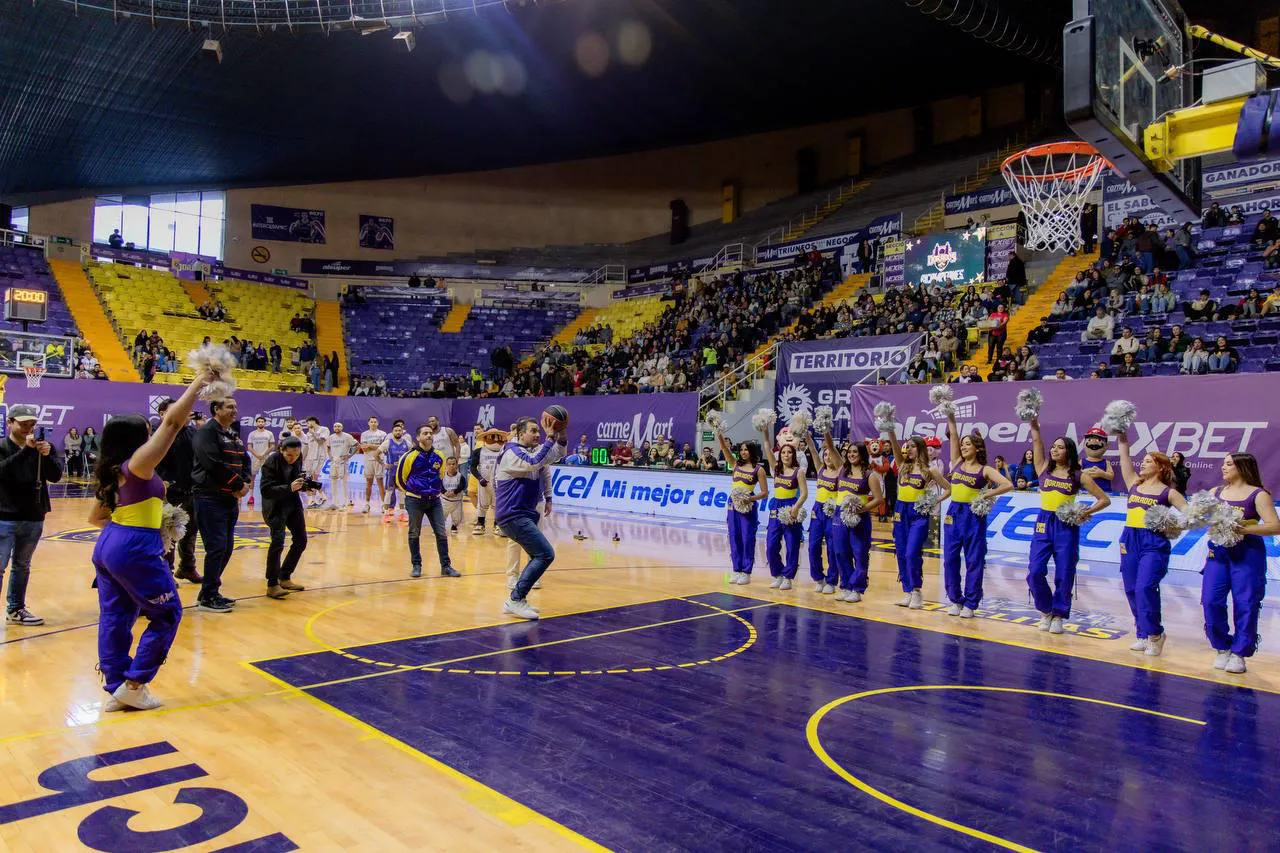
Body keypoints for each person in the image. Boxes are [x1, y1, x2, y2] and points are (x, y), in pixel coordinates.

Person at [87, 373, 205, 710]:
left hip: (110, 543)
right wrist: (198, 384)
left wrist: (152, 521)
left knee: (116, 616)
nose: (153, 435)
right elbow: (172, 424)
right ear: (136, 439)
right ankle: (136, 684)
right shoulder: (138, 464)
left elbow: (95, 519)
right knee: (168, 613)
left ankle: (116, 686)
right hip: (134, 547)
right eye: (147, 433)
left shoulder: (112, 470)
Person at [1027, 417, 1112, 634]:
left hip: (1066, 526)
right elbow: (1037, 441)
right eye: (1053, 447)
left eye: (1060, 447)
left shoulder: (1078, 475)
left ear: (1069, 451)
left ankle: (1059, 615)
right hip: (1043, 523)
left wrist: (1084, 512)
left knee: (1064, 573)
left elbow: (1104, 500)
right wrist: (1034, 424)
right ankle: (1046, 609)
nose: (1055, 450)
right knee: (1035, 571)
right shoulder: (1043, 469)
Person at [1200, 453, 1280, 674]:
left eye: (1228, 464)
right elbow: (1201, 517)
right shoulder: (1214, 493)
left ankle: (1239, 653)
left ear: (1242, 467)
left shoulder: (1258, 494)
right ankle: (1221, 646)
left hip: (1248, 553)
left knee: (1246, 603)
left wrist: (1242, 529)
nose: (1223, 467)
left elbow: (1275, 526)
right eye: (1223, 464)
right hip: (1218, 552)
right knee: (1210, 601)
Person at [1114, 430, 1187, 658]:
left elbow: (1192, 516)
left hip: (1153, 542)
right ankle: (1143, 633)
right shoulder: (1133, 484)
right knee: (1131, 588)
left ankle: (1156, 634)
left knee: (1145, 586)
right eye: (1143, 460)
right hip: (1129, 538)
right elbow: (1124, 456)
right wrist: (1122, 435)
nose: (1143, 464)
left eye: (1148, 461)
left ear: (1161, 467)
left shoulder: (1169, 492)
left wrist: (1171, 526)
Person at [496, 413, 568, 618]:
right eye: (533, 431)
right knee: (545, 554)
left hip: (523, 514)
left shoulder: (531, 450)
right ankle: (515, 599)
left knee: (537, 555)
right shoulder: (511, 451)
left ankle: (516, 599)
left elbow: (556, 455)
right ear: (520, 434)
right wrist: (549, 437)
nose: (537, 434)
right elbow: (534, 462)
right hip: (512, 514)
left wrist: (561, 435)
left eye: (539, 431)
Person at [942, 410, 1013, 617]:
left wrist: (987, 494)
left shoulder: (986, 469)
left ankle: (971, 603)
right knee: (950, 559)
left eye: (967, 444)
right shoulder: (956, 462)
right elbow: (953, 434)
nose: (963, 447)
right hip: (954, 512)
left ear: (977, 448)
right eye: (962, 444)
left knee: (974, 560)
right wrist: (950, 415)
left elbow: (1007, 484)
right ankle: (955, 599)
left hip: (973, 516)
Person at [0, 405, 62, 626]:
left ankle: (16, 608)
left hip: (34, 516)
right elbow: (4, 472)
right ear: (10, 422)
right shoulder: (2, 446)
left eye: (32, 424)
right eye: (23, 423)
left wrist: (45, 456)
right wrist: (26, 451)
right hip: (4, 516)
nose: (28, 428)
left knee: (22, 565)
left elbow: (55, 476)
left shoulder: (44, 448)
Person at [879, 428, 950, 609]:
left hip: (918, 514)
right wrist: (890, 432)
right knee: (901, 552)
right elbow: (895, 447)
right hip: (900, 511)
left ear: (920, 449)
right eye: (907, 446)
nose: (907, 449)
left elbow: (949, 489)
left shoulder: (930, 470)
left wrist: (933, 501)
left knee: (912, 552)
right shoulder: (903, 466)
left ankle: (917, 591)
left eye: (912, 447)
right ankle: (908, 591)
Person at [191, 397, 249, 613]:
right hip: (209, 497)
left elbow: (244, 460)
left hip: (229, 499)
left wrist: (246, 481)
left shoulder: (231, 433)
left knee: (226, 547)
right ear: (216, 409)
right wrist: (237, 483)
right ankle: (208, 596)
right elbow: (211, 463)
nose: (235, 410)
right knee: (216, 547)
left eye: (235, 406)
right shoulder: (206, 432)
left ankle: (210, 591)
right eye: (230, 407)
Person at [394, 424, 460, 579]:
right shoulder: (409, 456)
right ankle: (416, 565)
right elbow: (399, 479)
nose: (429, 435)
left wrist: (434, 490)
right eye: (425, 433)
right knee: (414, 532)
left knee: (441, 533)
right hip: (415, 501)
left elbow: (441, 475)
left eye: (430, 433)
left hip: (434, 501)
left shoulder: (439, 455)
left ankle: (446, 566)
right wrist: (412, 492)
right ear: (418, 437)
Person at [824, 430, 883, 602]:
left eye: (855, 452)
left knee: (859, 553)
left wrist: (859, 510)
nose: (851, 455)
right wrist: (827, 429)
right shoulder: (842, 469)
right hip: (839, 515)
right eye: (849, 452)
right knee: (841, 552)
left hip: (860, 518)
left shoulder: (869, 475)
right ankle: (846, 585)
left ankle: (857, 588)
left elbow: (879, 499)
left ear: (862, 454)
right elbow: (830, 447)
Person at [154, 399, 200, 585]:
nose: (183, 413)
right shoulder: (158, 432)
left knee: (191, 530)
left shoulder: (192, 432)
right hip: (168, 491)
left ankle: (187, 568)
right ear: (162, 414)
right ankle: (167, 572)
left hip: (191, 489)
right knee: (169, 533)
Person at [259, 436, 310, 599]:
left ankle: (285, 576)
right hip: (275, 505)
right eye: (289, 455)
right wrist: (289, 487)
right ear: (281, 450)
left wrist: (305, 486)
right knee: (277, 542)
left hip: (292, 503)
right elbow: (266, 490)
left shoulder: (298, 456)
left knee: (301, 539)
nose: (293, 458)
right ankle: (272, 584)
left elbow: (296, 479)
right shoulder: (271, 461)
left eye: (296, 455)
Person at [758, 421, 807, 590]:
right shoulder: (775, 469)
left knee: (792, 544)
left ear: (793, 455)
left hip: (790, 507)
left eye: (789, 453)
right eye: (783, 452)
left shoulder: (798, 472)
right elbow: (766, 447)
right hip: (775, 507)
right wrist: (765, 431)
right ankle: (777, 574)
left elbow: (804, 493)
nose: (786, 455)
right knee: (771, 544)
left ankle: (788, 576)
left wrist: (795, 508)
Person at [802, 430, 840, 594]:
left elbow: (831, 448)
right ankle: (818, 578)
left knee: (832, 548)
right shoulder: (819, 470)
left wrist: (826, 432)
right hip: (817, 511)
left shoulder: (841, 472)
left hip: (833, 511)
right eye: (824, 454)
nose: (827, 457)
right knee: (813, 546)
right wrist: (808, 437)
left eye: (830, 454)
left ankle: (831, 581)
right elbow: (811, 448)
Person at [504, 465, 551, 593]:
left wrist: (549, 498)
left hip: (537, 501)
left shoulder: (542, 453)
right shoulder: (513, 451)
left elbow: (547, 476)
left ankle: (532, 576)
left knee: (536, 540)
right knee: (514, 540)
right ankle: (512, 576)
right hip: (516, 501)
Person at [470, 428, 506, 535]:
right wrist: (479, 478)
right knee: (482, 503)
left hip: (499, 483)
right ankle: (480, 523)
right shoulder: (479, 451)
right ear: (485, 438)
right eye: (492, 436)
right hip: (484, 482)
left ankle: (497, 524)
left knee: (498, 503)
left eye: (497, 437)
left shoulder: (505, 451)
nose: (495, 439)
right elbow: (472, 467)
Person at [379, 421, 413, 523]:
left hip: (403, 473)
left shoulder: (407, 443)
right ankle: (386, 513)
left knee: (402, 493)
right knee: (389, 493)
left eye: (399, 430)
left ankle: (402, 513)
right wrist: (383, 464)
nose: (398, 432)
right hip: (391, 472)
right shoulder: (388, 442)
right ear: (392, 432)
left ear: (402, 432)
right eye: (396, 430)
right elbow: (376, 454)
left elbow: (413, 455)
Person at [357, 417, 387, 513]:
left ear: (377, 423)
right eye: (371, 422)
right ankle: (367, 504)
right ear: (368, 423)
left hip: (379, 460)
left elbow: (384, 447)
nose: (373, 423)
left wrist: (370, 445)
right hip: (368, 460)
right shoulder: (364, 434)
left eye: (375, 422)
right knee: (368, 483)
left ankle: (383, 504)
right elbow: (364, 448)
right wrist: (376, 447)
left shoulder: (383, 434)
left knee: (380, 483)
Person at [326, 422, 357, 510]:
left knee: (344, 482)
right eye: (335, 426)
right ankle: (335, 501)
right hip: (334, 462)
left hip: (343, 462)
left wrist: (349, 455)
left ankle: (346, 501)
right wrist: (330, 456)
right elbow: (328, 447)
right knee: (333, 481)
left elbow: (356, 445)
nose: (337, 427)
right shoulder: (331, 437)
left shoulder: (347, 436)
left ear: (342, 427)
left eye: (338, 426)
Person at [246, 416, 275, 508]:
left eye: (262, 421)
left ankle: (266, 496)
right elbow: (249, 447)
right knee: (252, 478)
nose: (260, 423)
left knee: (266, 477)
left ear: (265, 423)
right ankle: (251, 497)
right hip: (255, 459)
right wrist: (257, 455)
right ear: (256, 423)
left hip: (266, 458)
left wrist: (264, 454)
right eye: (259, 421)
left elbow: (272, 446)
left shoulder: (269, 433)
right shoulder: (252, 434)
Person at [301, 417, 329, 509]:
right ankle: (321, 496)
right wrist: (303, 458)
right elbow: (307, 446)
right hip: (310, 457)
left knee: (314, 477)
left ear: (313, 421)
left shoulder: (324, 429)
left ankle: (314, 498)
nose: (307, 424)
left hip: (320, 456)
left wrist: (313, 433)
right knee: (309, 478)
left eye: (308, 422)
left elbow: (321, 440)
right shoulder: (308, 433)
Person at [1080, 427, 1114, 493]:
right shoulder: (1082, 461)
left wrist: (1102, 474)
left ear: (1106, 446)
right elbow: (1075, 475)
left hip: (1104, 493)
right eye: (1089, 439)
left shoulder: (1106, 462)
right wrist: (1084, 473)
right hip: (1085, 493)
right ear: (1084, 444)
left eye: (1098, 440)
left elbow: (1111, 476)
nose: (1093, 442)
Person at [441, 455, 466, 534]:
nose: (451, 466)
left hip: (456, 501)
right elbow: (439, 485)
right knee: (441, 515)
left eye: (453, 464)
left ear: (457, 465)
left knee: (457, 518)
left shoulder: (460, 476)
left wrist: (454, 492)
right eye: (449, 464)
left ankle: (454, 526)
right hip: (445, 501)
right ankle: (440, 527)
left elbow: (462, 485)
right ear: (446, 465)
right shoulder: (442, 475)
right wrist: (444, 492)